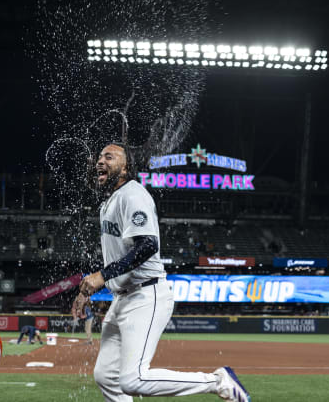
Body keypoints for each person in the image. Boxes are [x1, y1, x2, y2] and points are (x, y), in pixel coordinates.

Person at [73, 142, 249, 402]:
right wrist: (91, 287)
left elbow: (148, 245)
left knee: (133, 379)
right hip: (122, 298)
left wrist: (101, 276)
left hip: (146, 294)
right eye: (100, 156)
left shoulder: (133, 194)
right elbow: (117, 256)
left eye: (109, 157)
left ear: (126, 168)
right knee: (105, 376)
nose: (100, 161)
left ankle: (218, 381)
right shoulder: (110, 201)